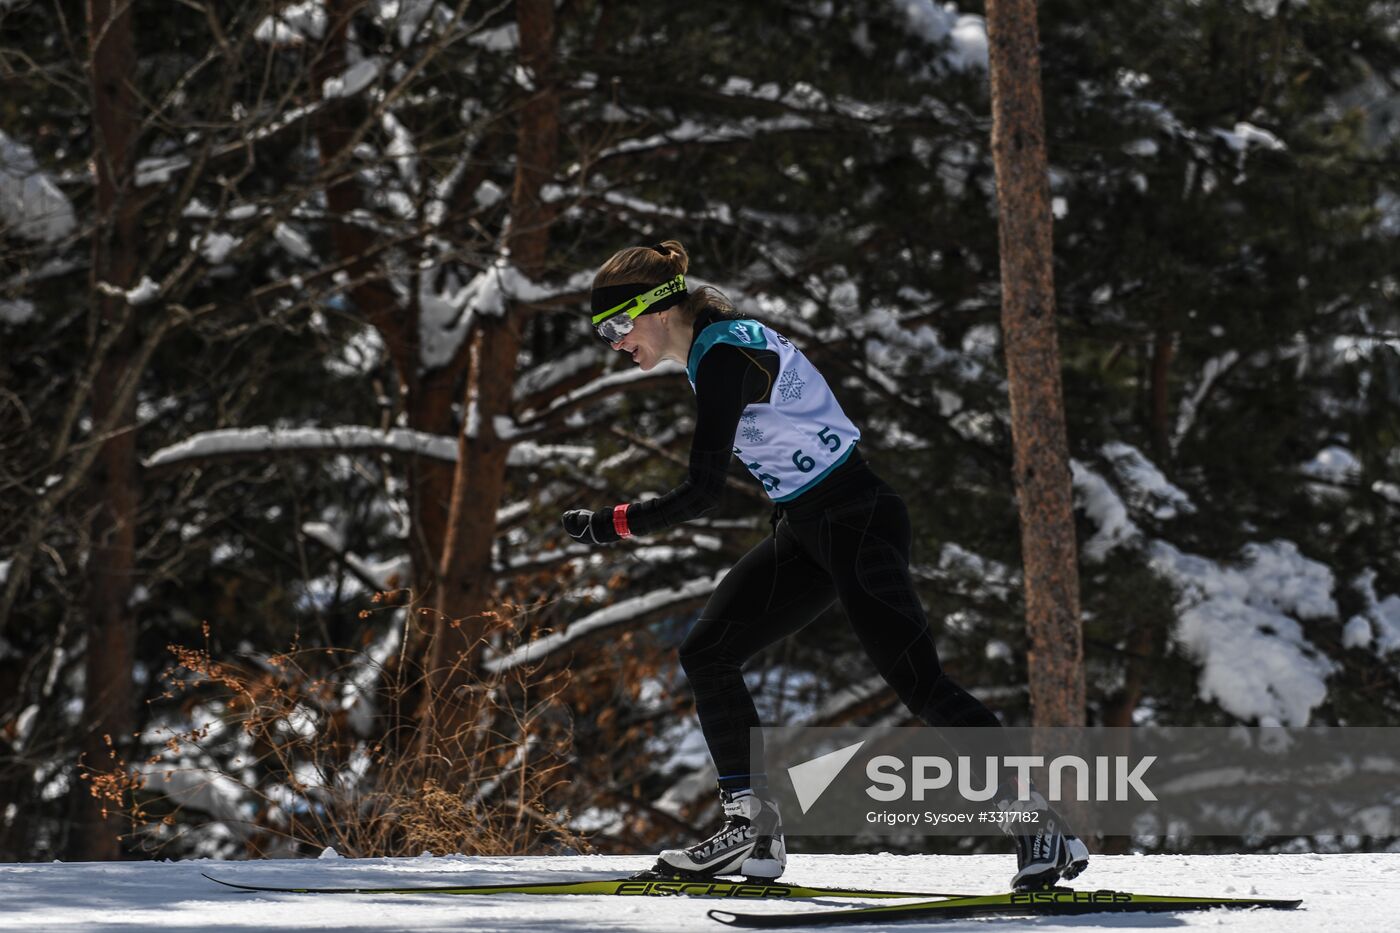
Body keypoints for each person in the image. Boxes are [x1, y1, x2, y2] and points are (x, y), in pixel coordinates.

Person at [561, 240, 1088, 890]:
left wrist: (612, 523)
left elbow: (701, 491)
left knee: (920, 683)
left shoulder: (725, 353)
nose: (614, 343)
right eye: (602, 334)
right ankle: (750, 827)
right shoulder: (712, 352)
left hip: (856, 518)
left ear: (656, 308)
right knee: (708, 652)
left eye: (617, 326)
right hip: (810, 526)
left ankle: (1039, 820)